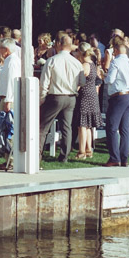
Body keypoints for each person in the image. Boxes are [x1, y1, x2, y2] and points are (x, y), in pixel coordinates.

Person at [38, 33, 83, 162]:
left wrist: (42, 97)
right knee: (66, 127)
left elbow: (44, 82)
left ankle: (38, 154)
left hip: (55, 96)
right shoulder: (76, 62)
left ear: (58, 44)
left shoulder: (52, 60)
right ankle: (64, 156)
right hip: (71, 97)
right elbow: (82, 81)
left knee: (43, 126)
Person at [104, 38, 129, 167]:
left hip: (119, 96)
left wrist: (104, 76)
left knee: (112, 127)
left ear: (115, 50)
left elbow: (110, 79)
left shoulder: (115, 63)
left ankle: (114, 157)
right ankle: (124, 158)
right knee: (124, 128)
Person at [76, 43, 102, 160]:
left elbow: (80, 82)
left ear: (81, 53)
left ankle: (81, 151)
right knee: (89, 125)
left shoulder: (84, 65)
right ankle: (88, 149)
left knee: (82, 125)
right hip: (93, 95)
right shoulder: (93, 64)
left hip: (85, 95)